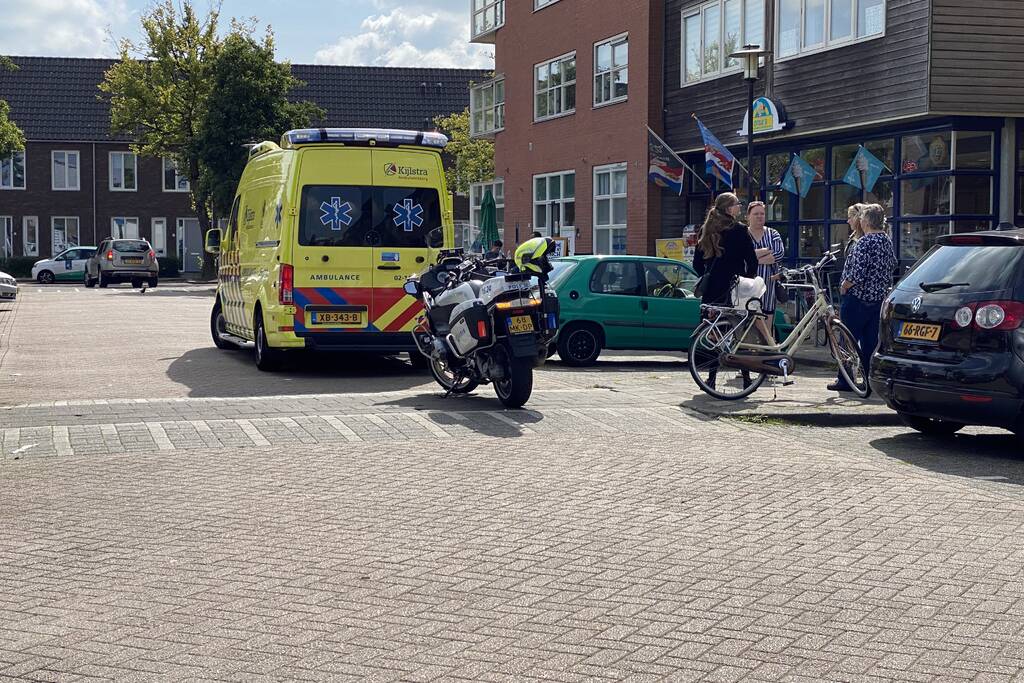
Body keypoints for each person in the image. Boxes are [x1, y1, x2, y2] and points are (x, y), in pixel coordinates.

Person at [828, 203, 897, 394]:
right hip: (877, 300)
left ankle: (846, 379)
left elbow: (856, 274)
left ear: (865, 221)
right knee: (869, 343)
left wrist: (844, 286)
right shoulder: (886, 240)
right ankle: (868, 379)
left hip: (858, 300)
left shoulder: (865, 242)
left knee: (848, 340)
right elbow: (893, 264)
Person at [693, 192, 758, 307]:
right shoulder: (739, 229)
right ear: (729, 208)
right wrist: (747, 280)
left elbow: (697, 263)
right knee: (734, 322)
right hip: (733, 287)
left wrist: (707, 276)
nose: (739, 206)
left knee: (710, 322)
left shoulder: (706, 229)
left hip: (711, 288)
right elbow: (752, 261)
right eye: (737, 204)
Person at [746, 201, 785, 340]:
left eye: (762, 214)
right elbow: (741, 256)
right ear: (748, 216)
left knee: (767, 328)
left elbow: (779, 253)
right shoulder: (744, 235)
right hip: (747, 286)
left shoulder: (772, 233)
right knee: (748, 324)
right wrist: (766, 252)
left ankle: (767, 352)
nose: (759, 217)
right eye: (756, 214)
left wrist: (753, 258)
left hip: (768, 287)